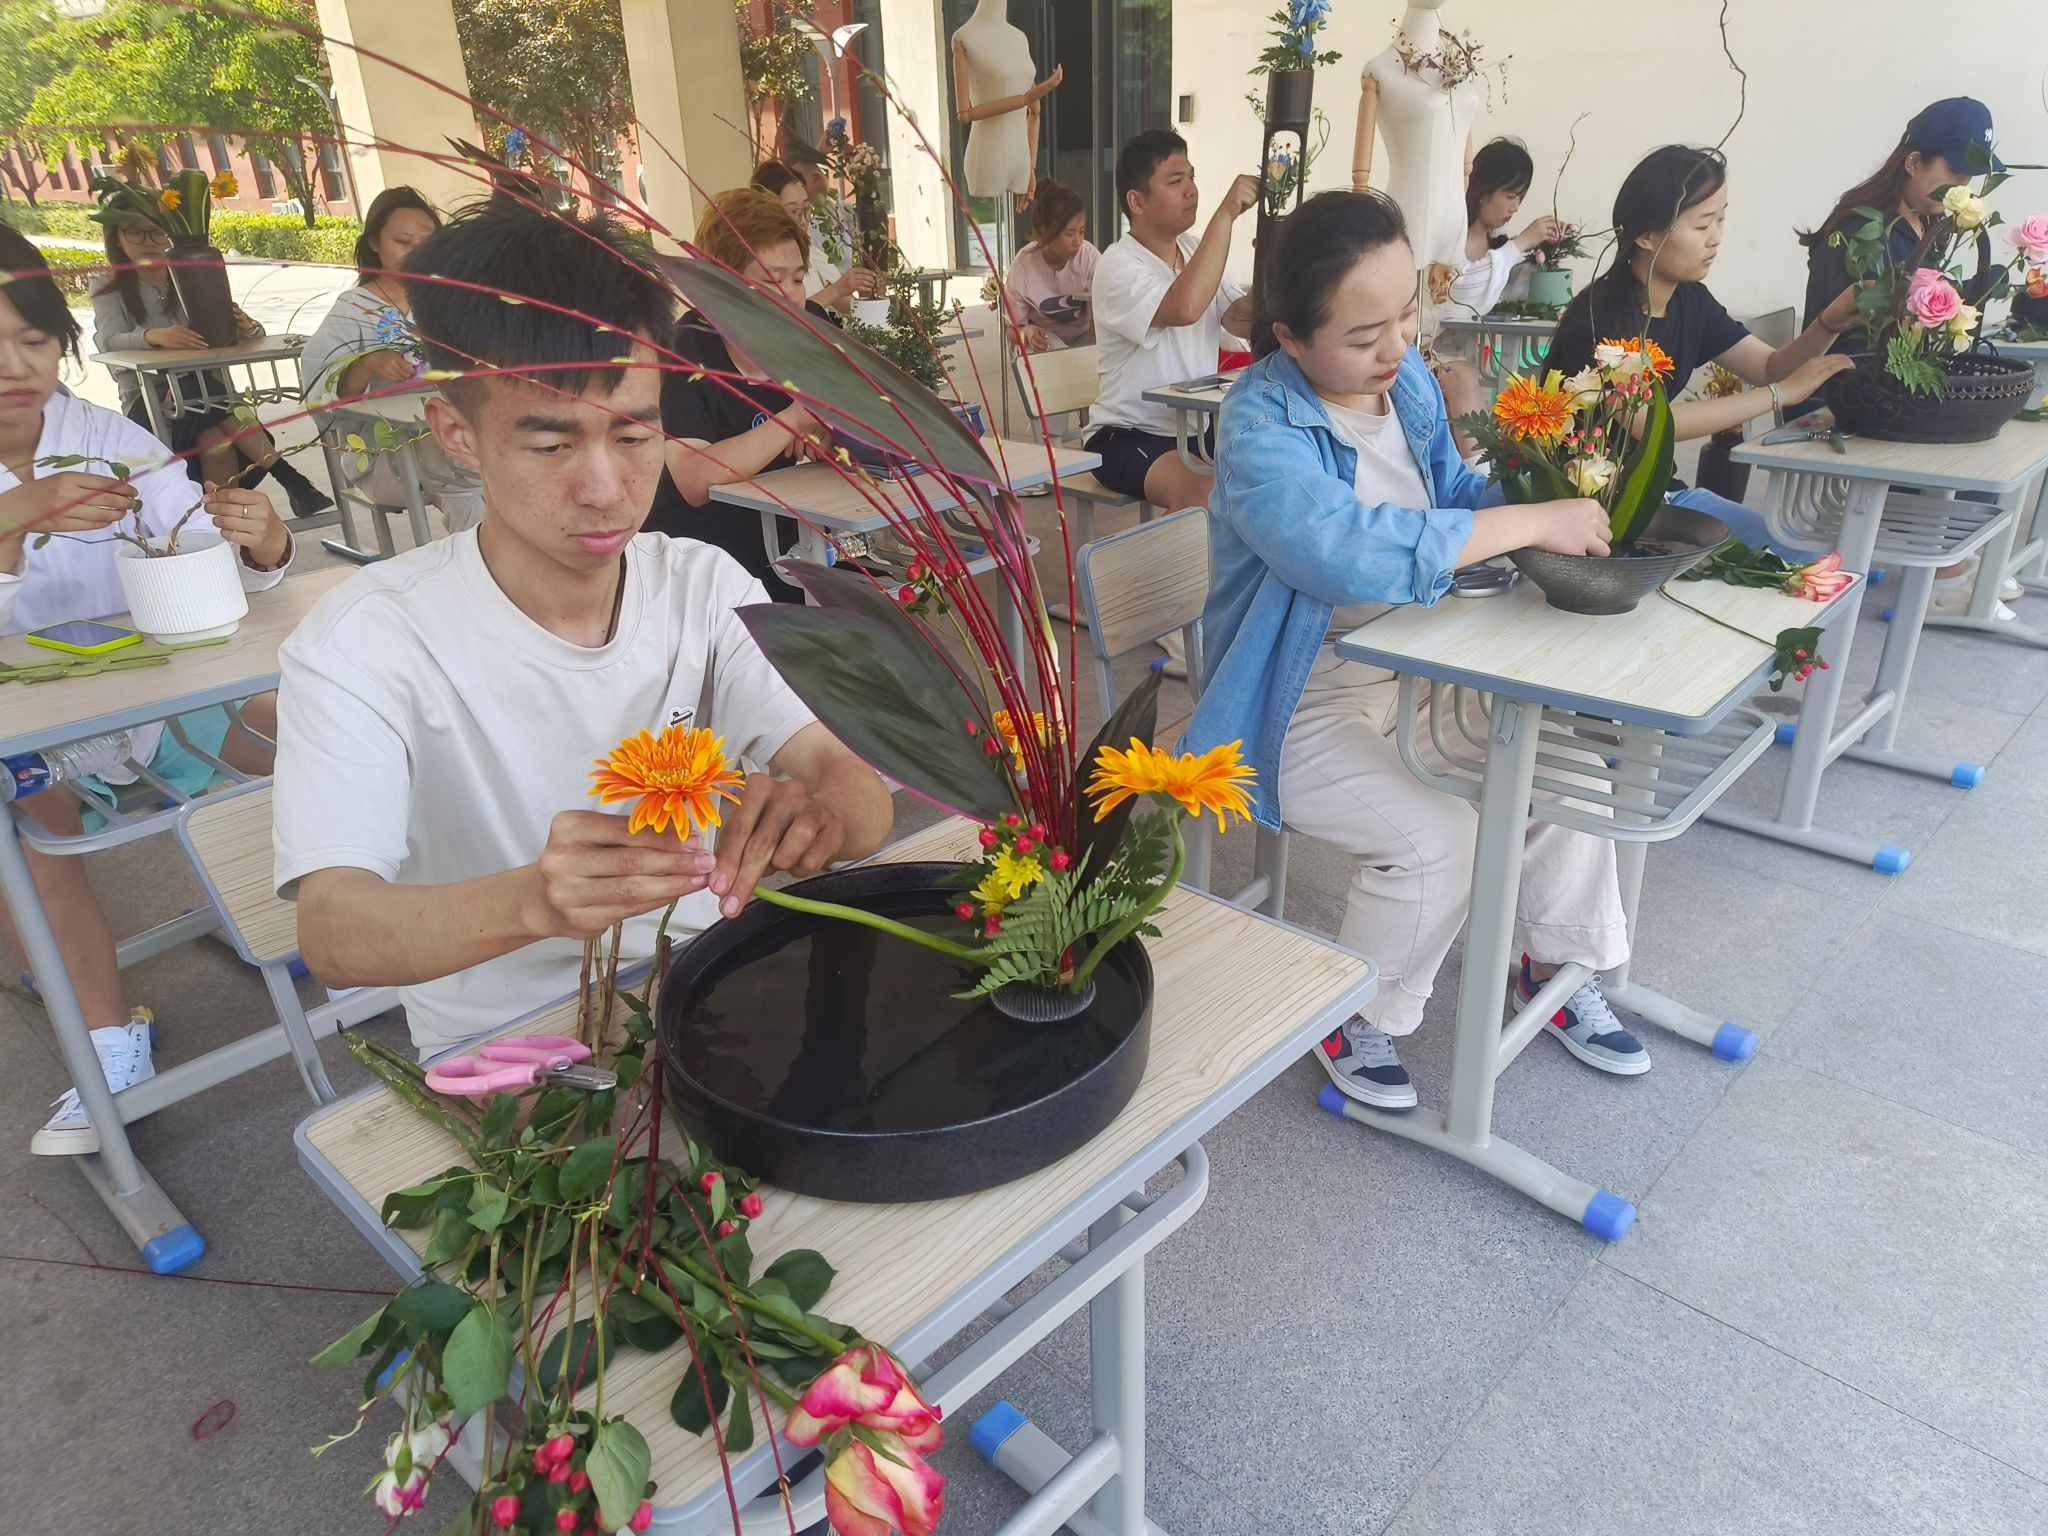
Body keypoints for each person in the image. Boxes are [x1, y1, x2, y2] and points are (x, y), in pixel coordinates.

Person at [272, 200, 892, 1058]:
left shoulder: (701, 586)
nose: (606, 490)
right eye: (550, 446)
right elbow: (335, 929)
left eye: (634, 435)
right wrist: (534, 901)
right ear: (456, 432)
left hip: (707, 992)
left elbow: (856, 788)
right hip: (509, 1047)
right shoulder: (367, 642)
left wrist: (817, 818)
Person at [1182, 191, 1641, 1108]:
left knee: (1566, 777)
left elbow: (1452, 493)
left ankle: (1551, 971)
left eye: (1405, 317)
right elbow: (1343, 550)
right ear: (1290, 338)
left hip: (1417, 668)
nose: (1396, 348)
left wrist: (1548, 490)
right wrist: (1525, 522)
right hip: (1294, 699)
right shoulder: (1260, 427)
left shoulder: (1408, 386)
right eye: (1364, 336)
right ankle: (1356, 1014)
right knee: (1437, 838)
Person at [0, 227, 292, 1153]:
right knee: (25, 824)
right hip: (29, 739)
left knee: (311, 726)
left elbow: (201, 560)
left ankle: (363, 924)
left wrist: (263, 544)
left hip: (157, 708)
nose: (12, 367)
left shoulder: (104, 439)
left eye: (31, 339)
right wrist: (12, 521)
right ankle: (107, 1037)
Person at [1541, 145, 1858, 556]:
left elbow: (1768, 366)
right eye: (1702, 224)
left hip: (1661, 498)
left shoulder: (1690, 300)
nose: (1716, 238)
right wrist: (1779, 395)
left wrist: (1829, 323)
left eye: (1721, 218)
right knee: (1783, 561)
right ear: (1646, 236)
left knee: (1807, 557)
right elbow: (1652, 424)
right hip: (1586, 508)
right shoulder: (1602, 319)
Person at [1798, 98, 2021, 614]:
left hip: (1887, 388)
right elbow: (1858, 345)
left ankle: (1948, 565)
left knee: (1986, 434)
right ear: (1914, 161)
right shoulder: (1861, 232)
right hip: (1841, 398)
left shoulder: (1924, 225)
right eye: (1955, 173)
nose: (1963, 188)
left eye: (1971, 178)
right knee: (1966, 443)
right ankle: (1942, 574)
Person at [647, 188, 836, 602]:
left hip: (796, 543)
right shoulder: (686, 349)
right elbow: (695, 479)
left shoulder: (812, 330)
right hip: (705, 563)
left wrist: (832, 433)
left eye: (798, 279)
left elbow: (855, 422)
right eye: (771, 281)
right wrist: (795, 419)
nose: (791, 295)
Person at [91, 217, 332, 518]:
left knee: (214, 437)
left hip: (210, 399)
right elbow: (108, 340)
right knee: (196, 393)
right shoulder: (108, 284)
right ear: (117, 237)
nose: (148, 241)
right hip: (153, 404)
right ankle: (291, 480)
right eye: (135, 232)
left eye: (156, 232)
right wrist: (152, 337)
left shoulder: (191, 274)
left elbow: (246, 335)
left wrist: (247, 327)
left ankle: (224, 528)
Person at [1085, 129, 1258, 516]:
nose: (1191, 190)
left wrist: (1273, 271)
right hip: (1127, 434)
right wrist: (1226, 215)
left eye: (1192, 177)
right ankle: (1159, 558)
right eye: (1176, 181)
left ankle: (1188, 553)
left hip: (1195, 429)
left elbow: (1239, 319)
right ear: (1136, 201)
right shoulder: (1118, 264)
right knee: (1204, 495)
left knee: (1267, 477)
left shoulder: (1194, 249)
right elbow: (1186, 308)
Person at [297, 186, 487, 536]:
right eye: (403, 242)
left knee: (477, 476)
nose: (418, 253)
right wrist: (366, 365)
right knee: (471, 470)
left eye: (428, 243)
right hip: (383, 454)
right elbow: (320, 388)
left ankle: (487, 560)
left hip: (451, 439)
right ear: (374, 243)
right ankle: (490, 563)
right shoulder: (353, 309)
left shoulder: (450, 301)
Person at [1429, 137, 1564, 451]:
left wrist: (1546, 256)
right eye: (1510, 195)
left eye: (1521, 198)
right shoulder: (1449, 237)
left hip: (1470, 356)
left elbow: (1509, 295)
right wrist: (1521, 243)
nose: (1515, 207)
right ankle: (1481, 472)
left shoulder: (1497, 246)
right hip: (1428, 351)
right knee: (1463, 378)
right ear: (1483, 190)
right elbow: (1460, 292)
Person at [751, 159, 880, 315]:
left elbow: (847, 306)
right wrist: (835, 290)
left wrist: (870, 293)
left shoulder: (814, 255)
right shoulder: (757, 263)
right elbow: (787, 316)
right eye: (794, 211)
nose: (803, 220)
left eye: (806, 209)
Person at [1003, 179, 1098, 351]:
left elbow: (1099, 324)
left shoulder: (1089, 257)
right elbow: (1011, 330)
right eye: (1069, 234)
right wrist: (1027, 332)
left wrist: (1094, 357)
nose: (1078, 242)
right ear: (1045, 232)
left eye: (1082, 231)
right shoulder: (1024, 265)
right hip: (1045, 341)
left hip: (1084, 337)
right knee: (1048, 347)